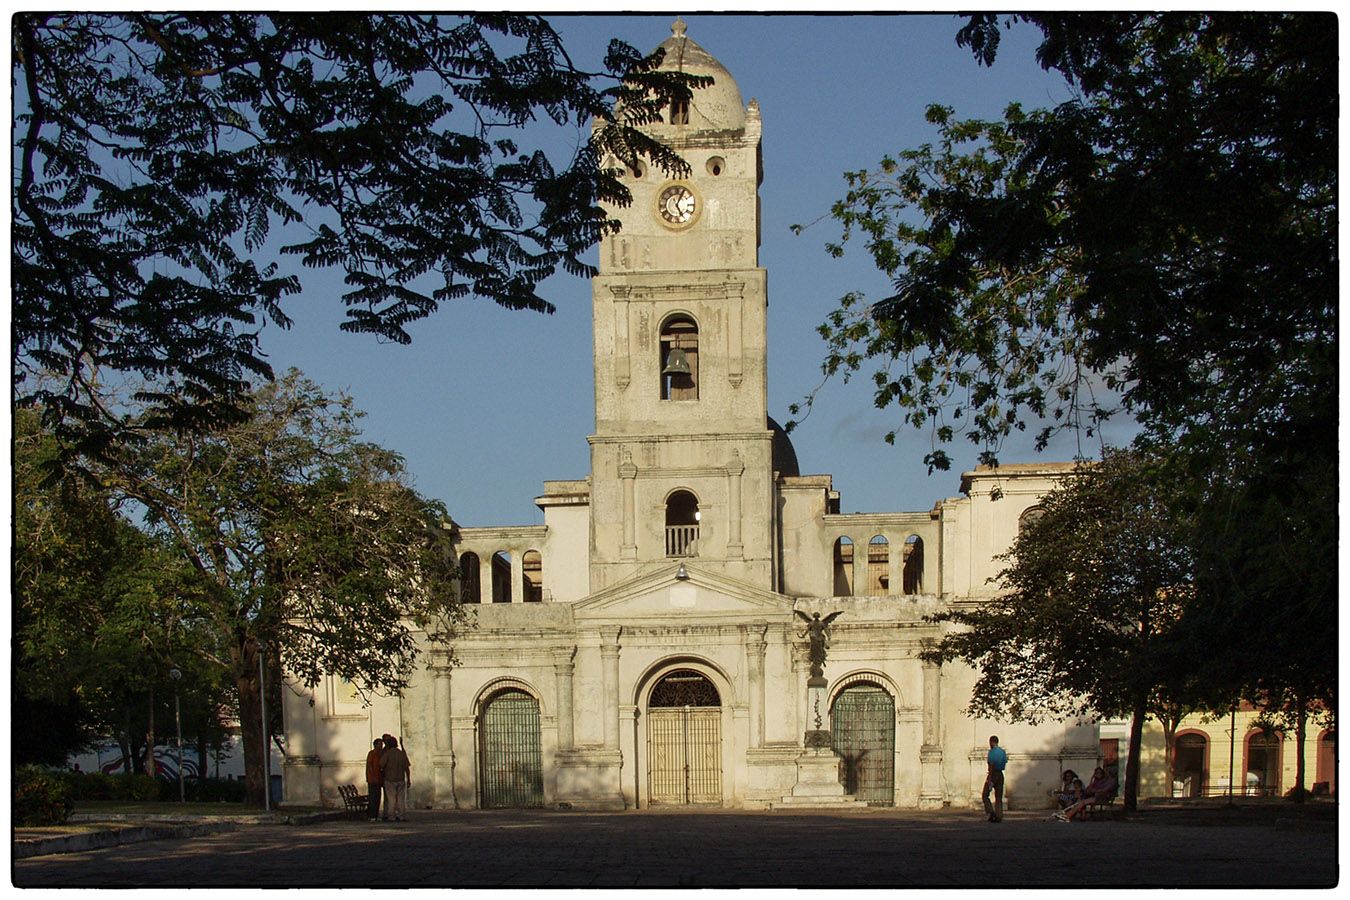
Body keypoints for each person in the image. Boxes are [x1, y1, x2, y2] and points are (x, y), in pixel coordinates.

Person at [380, 735, 411, 822]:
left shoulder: (388, 754)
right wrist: (408, 779)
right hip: (400, 778)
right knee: (401, 799)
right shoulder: (401, 754)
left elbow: (381, 764)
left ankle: (391, 816)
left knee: (391, 799)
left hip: (390, 779)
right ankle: (401, 816)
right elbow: (407, 768)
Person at [983, 735, 1008, 822]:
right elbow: (1005, 762)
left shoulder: (992, 752)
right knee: (999, 797)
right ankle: (999, 816)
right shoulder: (1003, 752)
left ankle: (991, 812)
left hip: (993, 774)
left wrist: (989, 778)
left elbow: (991, 765)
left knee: (985, 794)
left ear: (991, 742)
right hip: (1000, 774)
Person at [364, 738, 384, 821]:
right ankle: (372, 815)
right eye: (380, 744)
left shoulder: (381, 754)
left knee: (377, 797)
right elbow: (370, 765)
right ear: (375, 745)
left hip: (379, 779)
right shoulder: (372, 754)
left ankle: (375, 815)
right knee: (373, 797)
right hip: (373, 779)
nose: (381, 746)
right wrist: (373, 776)